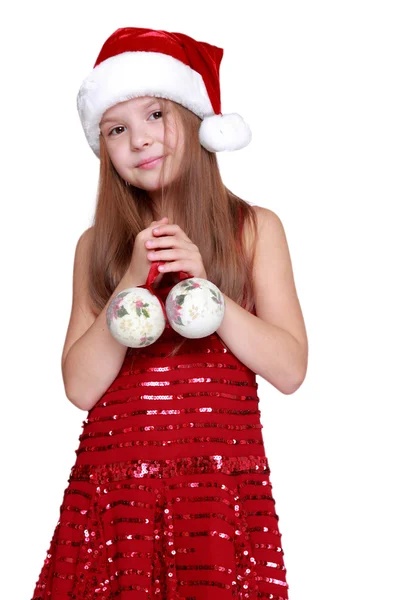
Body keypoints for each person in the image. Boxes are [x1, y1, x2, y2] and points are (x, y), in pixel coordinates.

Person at [31, 26, 308, 600]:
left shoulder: (253, 230)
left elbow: (289, 369)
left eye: (156, 115)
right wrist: (133, 281)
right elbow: (80, 388)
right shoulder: (96, 247)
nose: (140, 140)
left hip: (216, 498)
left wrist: (206, 286)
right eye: (117, 129)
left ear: (194, 119)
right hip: (116, 499)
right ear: (103, 148)